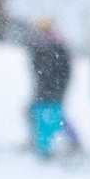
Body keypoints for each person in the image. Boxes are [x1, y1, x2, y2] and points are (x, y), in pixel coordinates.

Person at [23, 18, 80, 159]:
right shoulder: (41, 48)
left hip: (52, 90)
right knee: (44, 116)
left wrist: (57, 86)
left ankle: (47, 148)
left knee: (50, 118)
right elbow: (37, 69)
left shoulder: (57, 48)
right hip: (44, 90)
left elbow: (63, 72)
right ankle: (44, 145)